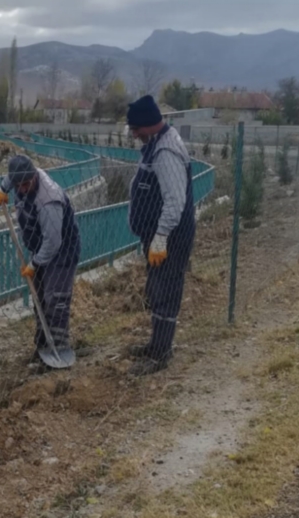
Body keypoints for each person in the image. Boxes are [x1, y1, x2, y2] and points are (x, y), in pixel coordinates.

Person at [125, 95, 196, 377]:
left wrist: (161, 236)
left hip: (169, 239)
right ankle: (155, 344)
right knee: (156, 288)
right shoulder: (155, 144)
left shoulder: (165, 152)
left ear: (148, 125)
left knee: (166, 290)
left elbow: (175, 201)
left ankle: (161, 354)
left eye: (136, 128)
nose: (134, 134)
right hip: (157, 238)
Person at [0, 155, 81, 365]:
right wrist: (2, 189)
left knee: (55, 298)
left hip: (62, 250)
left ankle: (59, 346)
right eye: (18, 185)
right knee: (39, 298)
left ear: (33, 176)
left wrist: (33, 265)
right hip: (40, 247)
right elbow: (10, 177)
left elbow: (53, 242)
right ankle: (43, 344)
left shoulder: (47, 198)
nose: (22, 188)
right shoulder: (19, 178)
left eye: (26, 184)